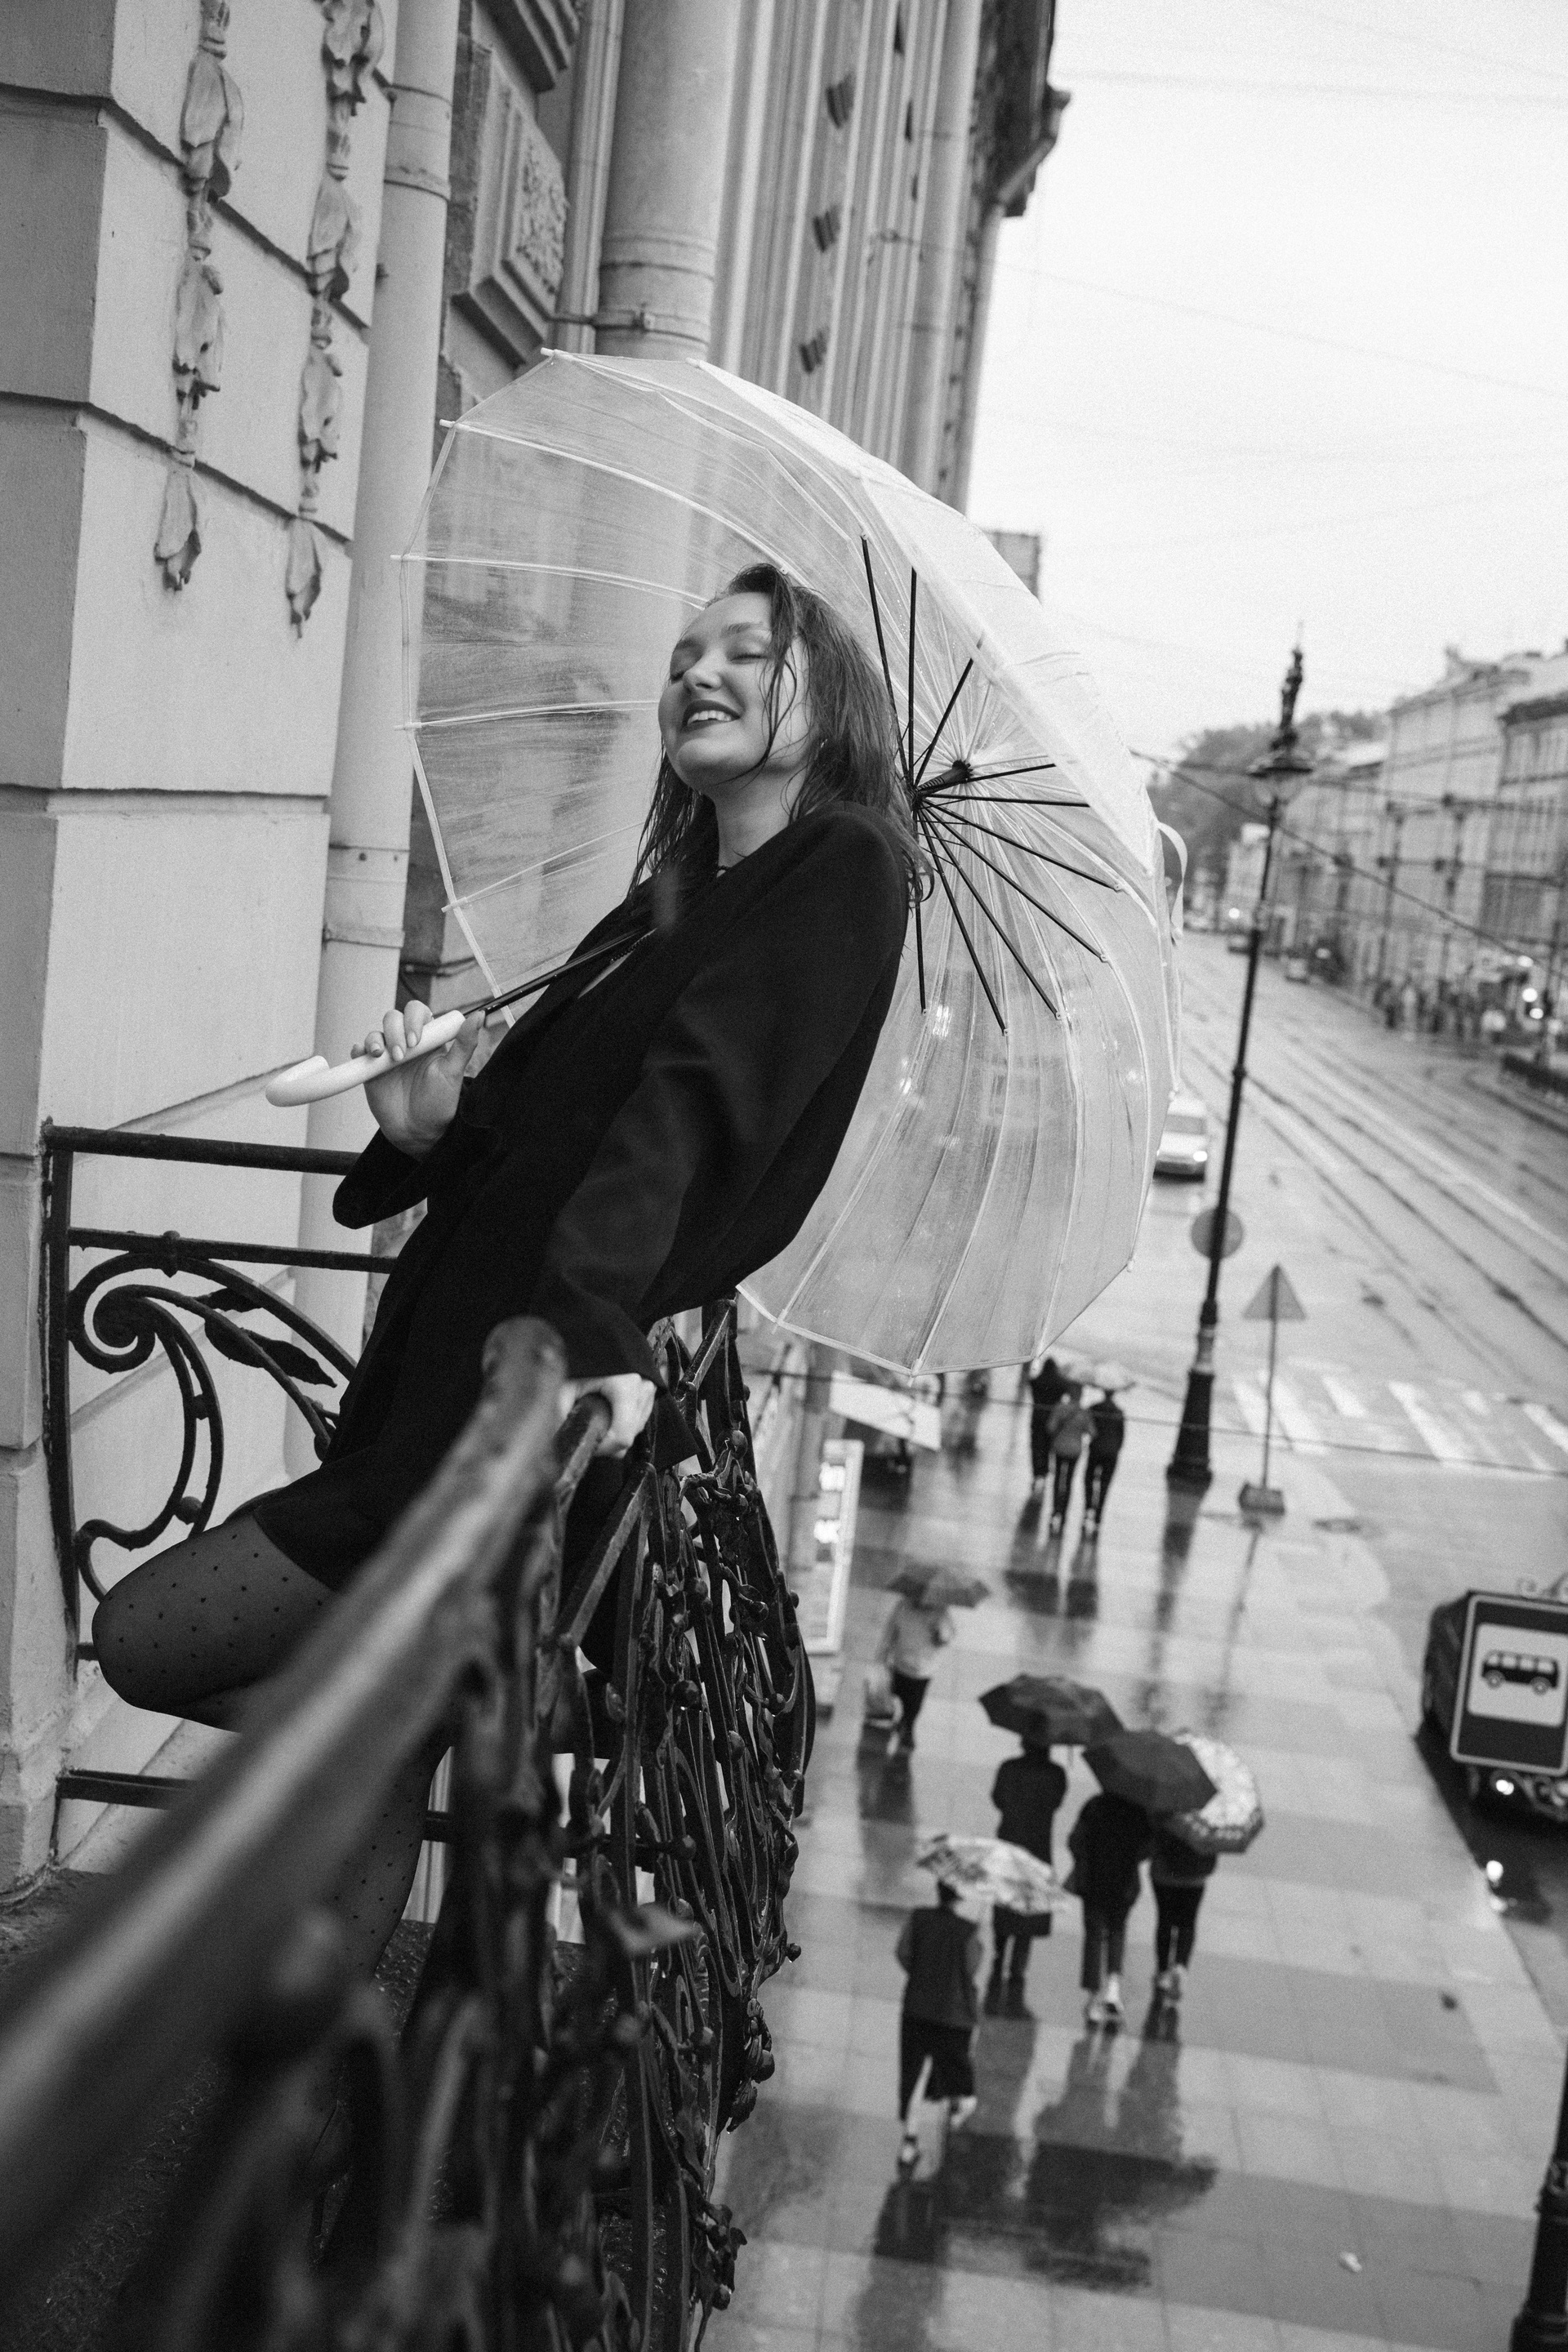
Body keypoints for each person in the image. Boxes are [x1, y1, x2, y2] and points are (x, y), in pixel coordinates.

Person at [94, 562, 918, 1977]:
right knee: (371, 1748)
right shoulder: (675, 896)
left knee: (145, 1639)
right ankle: (324, 2058)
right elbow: (542, 1137)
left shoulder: (842, 867)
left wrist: (590, 1325)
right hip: (439, 1386)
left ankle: (464, 1719)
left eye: (745, 649)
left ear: (826, 695)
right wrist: (428, 1125)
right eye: (684, 654)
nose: (698, 674)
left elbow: (686, 1116)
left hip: (508, 1408)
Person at [895, 1881, 982, 2172]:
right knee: (958, 2073)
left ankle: (909, 2142)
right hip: (953, 2018)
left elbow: (903, 1953)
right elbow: (971, 1969)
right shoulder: (968, 1931)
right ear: (960, 1897)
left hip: (917, 2010)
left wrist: (921, 1974)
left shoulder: (918, 1918)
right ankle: (956, 2114)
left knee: (914, 2077)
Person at [987, 1739, 1068, 2011]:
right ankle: (1019, 1963)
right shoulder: (1056, 1774)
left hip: (1010, 1839)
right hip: (1038, 1845)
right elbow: (1056, 1803)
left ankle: (999, 1952)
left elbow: (998, 1799)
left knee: (1004, 1900)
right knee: (1030, 1905)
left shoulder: (1009, 1768)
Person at [1067, 1788, 1152, 2028]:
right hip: (1125, 1883)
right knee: (1117, 1930)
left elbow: (1075, 1841)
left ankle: (1093, 1997)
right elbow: (1147, 1849)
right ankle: (1113, 1989)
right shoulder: (1139, 1813)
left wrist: (1086, 1856)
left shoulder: (1094, 1806)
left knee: (1094, 1935)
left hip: (1094, 1879)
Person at [875, 1592, 955, 1752]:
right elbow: (891, 1630)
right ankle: (900, 1722)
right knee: (897, 1693)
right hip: (901, 1663)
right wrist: (882, 1654)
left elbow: (946, 1637)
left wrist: (939, 1632)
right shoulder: (903, 1606)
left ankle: (908, 1726)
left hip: (922, 1669)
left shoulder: (940, 1613)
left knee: (913, 1704)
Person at [1150, 1826, 1217, 2002]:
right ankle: (1180, 1966)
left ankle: (1163, 1971)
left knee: (1165, 1921)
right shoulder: (1204, 1815)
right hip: (1195, 1876)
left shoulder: (1166, 1811)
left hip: (1164, 1872)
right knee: (1188, 1923)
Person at [1045, 1383, 1093, 1535]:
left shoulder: (1060, 1408)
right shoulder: (1084, 1412)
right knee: (1069, 1481)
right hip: (1075, 1451)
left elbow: (1050, 1428)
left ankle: (1055, 1510)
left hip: (1059, 1447)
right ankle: (1064, 1513)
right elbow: (1092, 1432)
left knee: (1058, 1478)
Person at [1083, 1388, 1125, 1535]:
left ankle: (1089, 1507)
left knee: (1089, 1479)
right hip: (1111, 1453)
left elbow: (1088, 1426)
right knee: (1105, 1484)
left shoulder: (1095, 1408)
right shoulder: (1119, 1412)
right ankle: (1098, 1516)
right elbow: (1121, 1437)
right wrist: (1115, 1449)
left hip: (1096, 1450)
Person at [1027, 1355, 1068, 1490]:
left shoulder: (1037, 1382)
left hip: (1037, 1419)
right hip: (1053, 1421)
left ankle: (1037, 1474)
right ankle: (1044, 1473)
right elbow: (1066, 1386)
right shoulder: (1059, 1384)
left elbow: (1030, 1380)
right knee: (1047, 1448)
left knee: (1036, 1448)